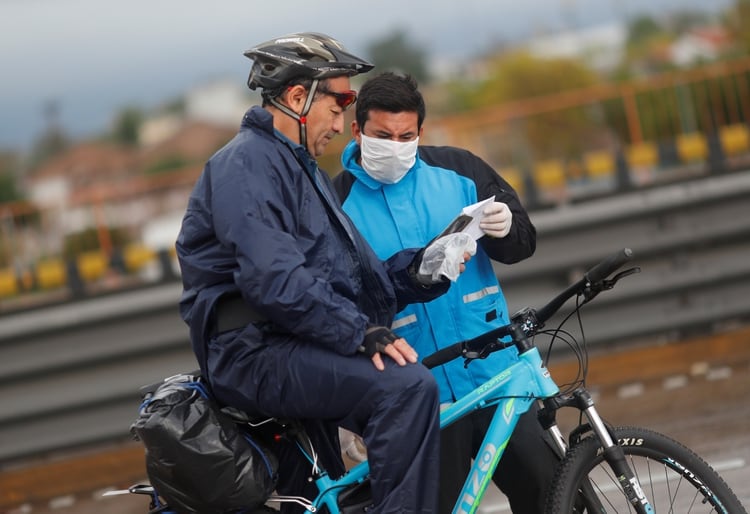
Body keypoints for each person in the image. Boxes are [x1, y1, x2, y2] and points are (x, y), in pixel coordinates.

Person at [175, 34, 460, 513]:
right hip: (255, 352)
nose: (345, 118)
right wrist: (358, 332)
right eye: (340, 100)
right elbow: (275, 280)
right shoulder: (247, 165)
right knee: (407, 387)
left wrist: (421, 270)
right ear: (296, 98)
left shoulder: (298, 169)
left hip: (292, 342)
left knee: (326, 496)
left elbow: (346, 281)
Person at [333, 71, 560, 513]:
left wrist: (507, 228)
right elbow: (336, 300)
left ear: (421, 130)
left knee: (551, 495)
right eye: (383, 136)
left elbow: (524, 242)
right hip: (421, 395)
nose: (396, 146)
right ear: (357, 130)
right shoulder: (334, 204)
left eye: (406, 135)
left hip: (496, 374)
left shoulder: (460, 168)